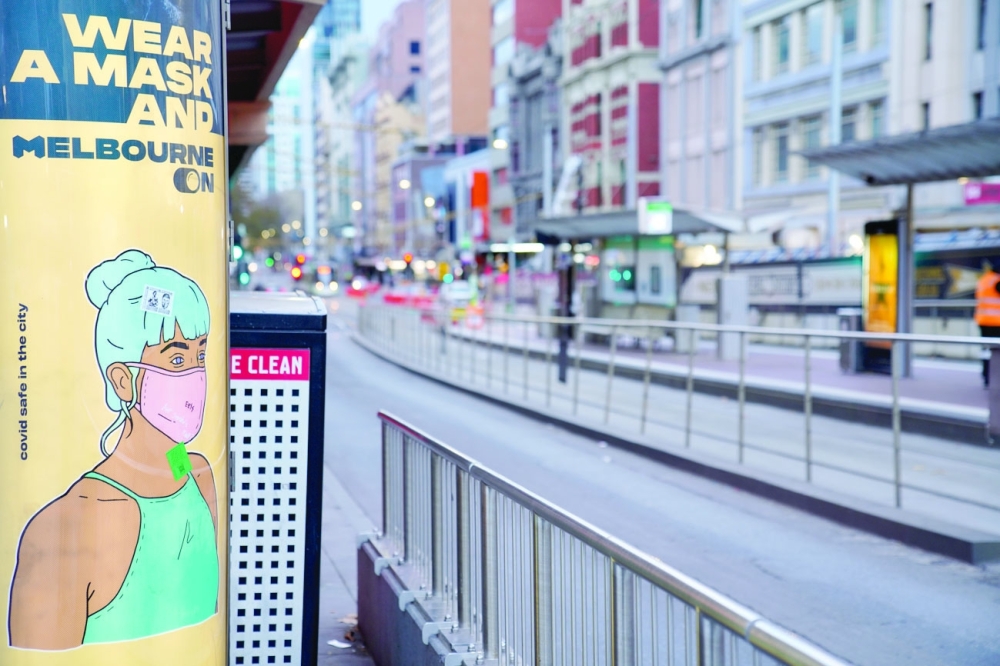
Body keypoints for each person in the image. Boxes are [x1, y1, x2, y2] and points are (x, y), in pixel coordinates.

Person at [8, 250, 220, 650]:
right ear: (123, 381)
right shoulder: (64, 527)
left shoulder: (195, 472)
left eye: (201, 354)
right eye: (177, 357)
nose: (196, 374)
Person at [975, 260, 1000, 386]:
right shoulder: (997, 281)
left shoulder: (984, 279)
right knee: (996, 351)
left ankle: (986, 376)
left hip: (983, 320)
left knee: (986, 350)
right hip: (996, 322)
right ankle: (994, 377)